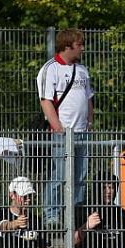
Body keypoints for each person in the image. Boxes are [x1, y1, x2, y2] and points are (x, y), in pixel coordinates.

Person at [37, 28, 94, 227]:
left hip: (81, 132)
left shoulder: (82, 69)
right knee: (60, 175)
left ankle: (75, 213)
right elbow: (46, 101)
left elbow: (88, 98)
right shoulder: (50, 68)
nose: (83, 48)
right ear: (68, 46)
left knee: (80, 176)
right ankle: (51, 215)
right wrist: (58, 127)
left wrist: (90, 122)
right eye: (79, 45)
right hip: (63, 133)